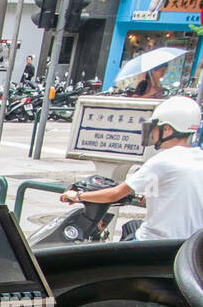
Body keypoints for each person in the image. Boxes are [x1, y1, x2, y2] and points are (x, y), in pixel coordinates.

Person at [60, 96, 203, 241]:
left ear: (166, 130)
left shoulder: (162, 161)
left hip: (155, 243)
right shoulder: (199, 158)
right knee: (131, 226)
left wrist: (77, 196)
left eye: (154, 128)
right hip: (191, 246)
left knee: (112, 257)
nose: (152, 133)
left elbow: (115, 194)